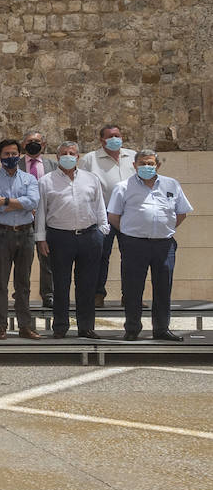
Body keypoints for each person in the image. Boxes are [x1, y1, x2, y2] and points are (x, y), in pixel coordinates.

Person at [108, 149, 192, 342]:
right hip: (134, 244)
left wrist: (164, 229)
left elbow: (181, 213)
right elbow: (113, 216)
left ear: (158, 165)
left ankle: (162, 329)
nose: (147, 167)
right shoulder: (123, 187)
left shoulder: (172, 184)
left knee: (163, 287)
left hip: (164, 245)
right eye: (143, 163)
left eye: (150, 163)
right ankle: (132, 328)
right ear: (135, 165)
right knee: (132, 288)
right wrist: (131, 233)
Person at [36, 141, 108, 339]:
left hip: (89, 236)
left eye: (72, 153)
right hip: (59, 237)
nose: (68, 156)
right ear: (58, 157)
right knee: (60, 284)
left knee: (87, 285)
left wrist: (102, 230)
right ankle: (60, 326)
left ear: (78, 157)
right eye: (64, 153)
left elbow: (99, 206)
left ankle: (86, 327)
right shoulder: (46, 181)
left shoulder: (91, 179)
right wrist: (40, 238)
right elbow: (41, 211)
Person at [0, 139, 41, 340]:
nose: (11, 157)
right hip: (1, 234)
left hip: (26, 233)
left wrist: (6, 200)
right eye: (6, 154)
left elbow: (33, 201)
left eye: (14, 153)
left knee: (23, 283)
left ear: (20, 154)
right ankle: (0, 327)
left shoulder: (29, 179)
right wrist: (19, 203)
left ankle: (25, 326)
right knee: (1, 283)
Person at [78, 125, 136, 307]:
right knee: (101, 255)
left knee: (132, 257)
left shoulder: (133, 156)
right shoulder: (90, 159)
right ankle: (97, 294)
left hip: (130, 216)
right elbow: (83, 184)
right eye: (110, 136)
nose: (115, 139)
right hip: (103, 216)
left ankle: (131, 295)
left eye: (117, 135)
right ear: (102, 140)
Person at [21, 130, 58, 307]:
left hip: (47, 219)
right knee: (23, 260)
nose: (33, 144)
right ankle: (21, 294)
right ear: (23, 145)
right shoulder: (16, 165)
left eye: (37, 141)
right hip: (23, 219)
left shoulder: (54, 165)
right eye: (29, 141)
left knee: (48, 259)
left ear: (43, 145)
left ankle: (48, 294)